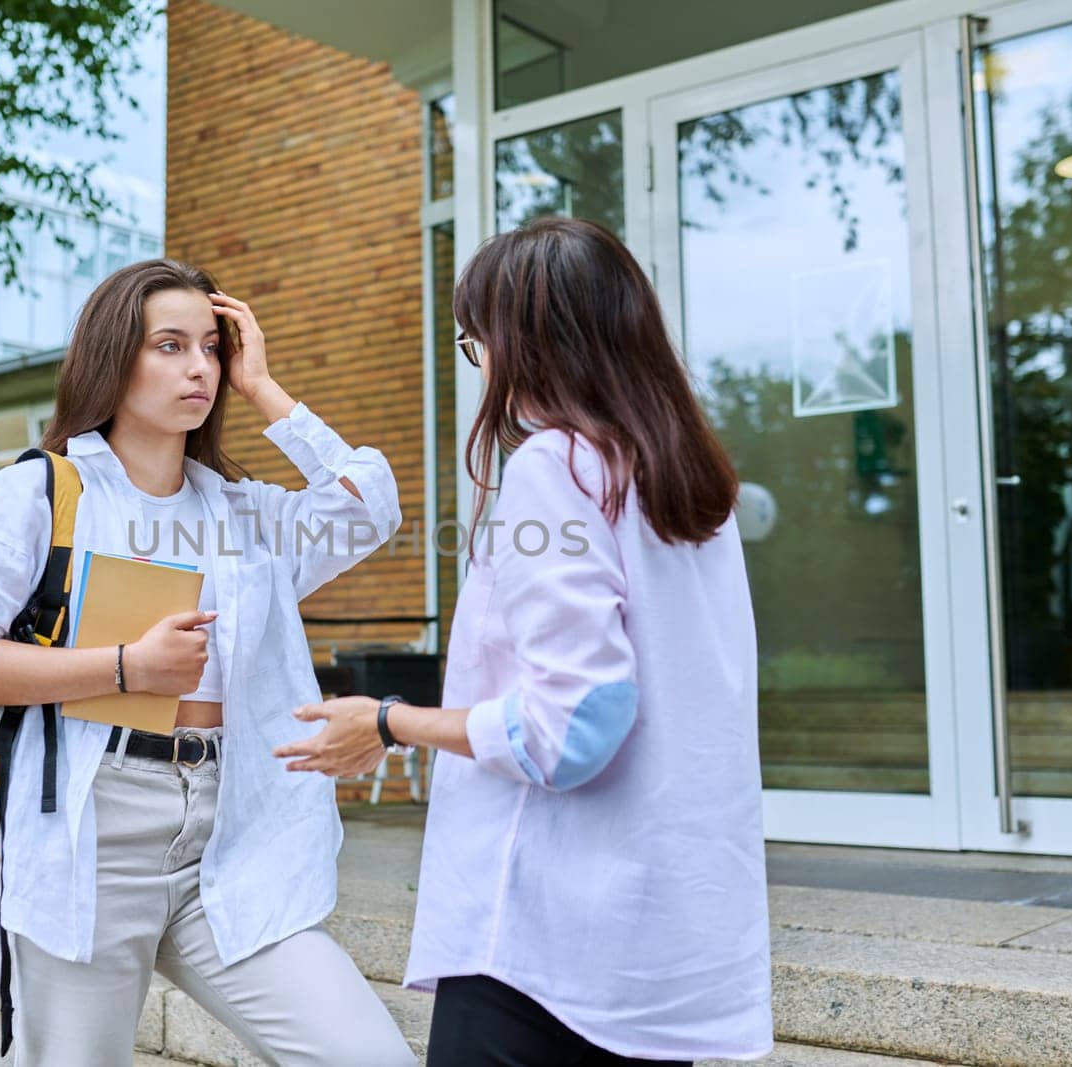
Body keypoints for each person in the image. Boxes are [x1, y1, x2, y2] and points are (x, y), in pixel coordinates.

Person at [275, 217, 773, 1065]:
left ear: (527, 344)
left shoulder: (557, 468)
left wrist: (391, 722)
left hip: (548, 940)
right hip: (664, 939)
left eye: (478, 343)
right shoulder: (691, 482)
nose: (483, 368)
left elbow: (574, 726)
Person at [0, 259, 416, 1066]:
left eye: (211, 347)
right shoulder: (42, 494)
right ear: (113, 358)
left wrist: (265, 387)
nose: (199, 367)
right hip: (92, 830)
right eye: (170, 345)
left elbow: (369, 506)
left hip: (231, 828)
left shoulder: (241, 511)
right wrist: (125, 668)